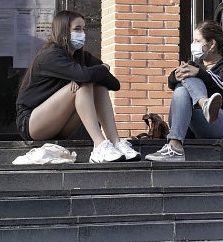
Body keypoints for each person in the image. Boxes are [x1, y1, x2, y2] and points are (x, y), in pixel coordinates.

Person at [16, 10, 137, 163]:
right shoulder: (51, 55)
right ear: (64, 31)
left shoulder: (82, 56)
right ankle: (99, 145)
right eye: (77, 29)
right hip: (32, 124)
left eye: (84, 29)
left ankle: (115, 142)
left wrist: (96, 72)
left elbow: (114, 84)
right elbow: (87, 76)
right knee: (85, 84)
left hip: (59, 126)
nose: (82, 33)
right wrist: (103, 68)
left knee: (97, 85)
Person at [146, 20, 223, 161]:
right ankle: (204, 105)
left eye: (197, 41)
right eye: (193, 40)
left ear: (212, 44)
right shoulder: (195, 66)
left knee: (189, 78)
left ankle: (174, 146)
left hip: (217, 125)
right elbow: (170, 82)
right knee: (182, 86)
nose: (193, 44)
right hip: (188, 125)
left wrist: (199, 73)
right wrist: (175, 76)